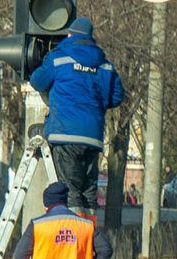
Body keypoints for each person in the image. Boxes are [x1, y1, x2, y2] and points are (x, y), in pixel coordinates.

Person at [29, 17, 124, 212]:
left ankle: (74, 238)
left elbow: (37, 81)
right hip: (92, 137)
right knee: (89, 192)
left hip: (65, 133)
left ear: (70, 34)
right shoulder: (105, 65)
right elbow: (117, 97)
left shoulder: (58, 58)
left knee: (69, 190)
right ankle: (89, 235)